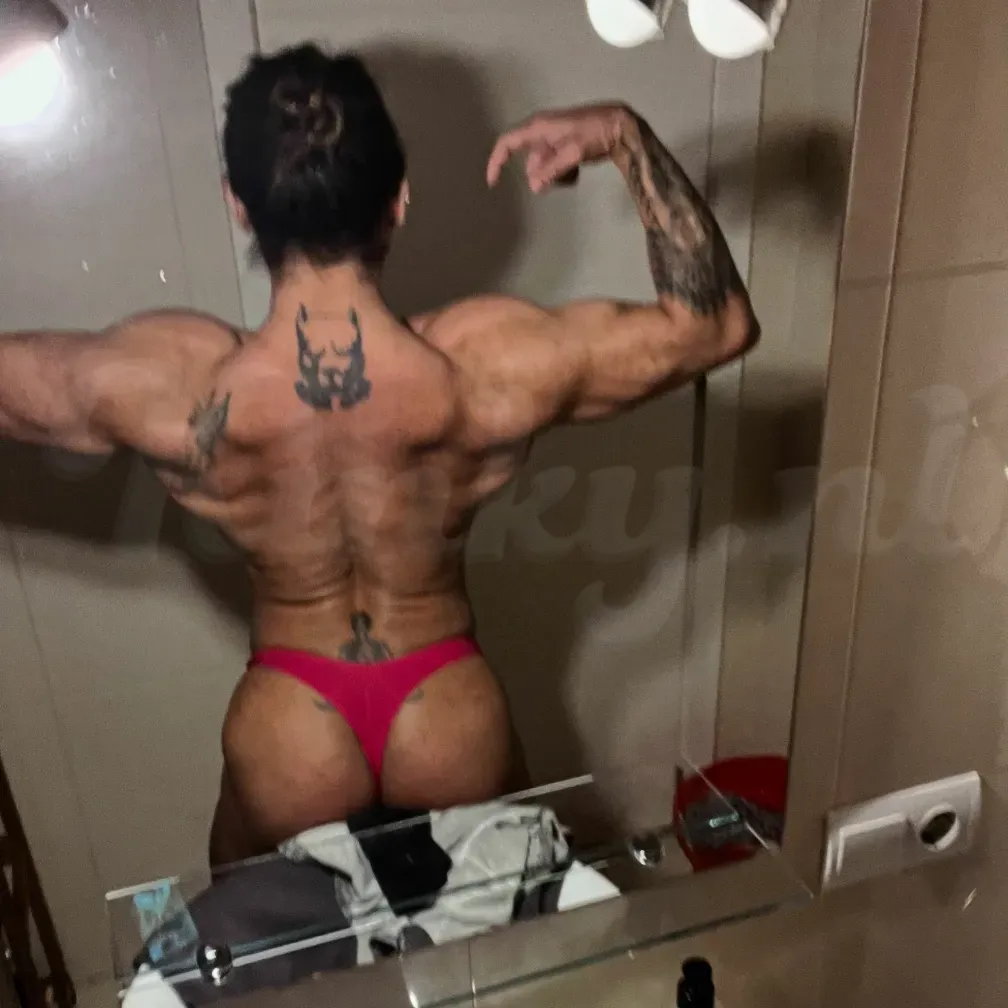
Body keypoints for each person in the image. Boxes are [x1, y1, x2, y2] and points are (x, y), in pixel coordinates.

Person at [0, 43, 758, 865]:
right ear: (398, 201)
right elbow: (714, 326)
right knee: (511, 932)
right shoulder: (480, 365)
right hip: (447, 710)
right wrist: (623, 135)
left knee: (257, 940)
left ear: (239, 206)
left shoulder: (180, 382)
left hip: (290, 722)